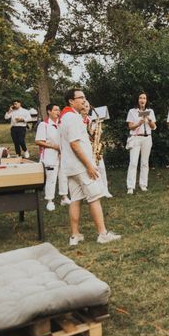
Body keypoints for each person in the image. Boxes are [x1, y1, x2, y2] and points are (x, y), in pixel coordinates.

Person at [60, 89, 121, 246]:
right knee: (94, 198)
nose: (84, 100)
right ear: (71, 101)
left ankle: (75, 235)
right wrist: (89, 165)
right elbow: (74, 144)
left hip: (71, 167)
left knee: (75, 200)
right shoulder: (73, 118)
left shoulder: (65, 116)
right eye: (80, 98)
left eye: (84, 97)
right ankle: (102, 234)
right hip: (81, 166)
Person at [35, 103, 70, 211]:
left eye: (59, 110)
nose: (58, 112)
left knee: (63, 176)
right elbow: (38, 141)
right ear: (49, 111)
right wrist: (54, 146)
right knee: (51, 177)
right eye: (55, 110)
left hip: (62, 154)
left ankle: (64, 197)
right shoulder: (44, 124)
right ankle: (50, 200)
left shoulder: (62, 124)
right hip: (49, 155)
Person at [126, 92, 156, 194]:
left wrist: (149, 119)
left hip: (147, 138)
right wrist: (138, 123)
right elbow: (130, 126)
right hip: (135, 138)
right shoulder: (132, 111)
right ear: (137, 100)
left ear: (146, 100)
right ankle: (130, 186)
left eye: (144, 98)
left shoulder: (150, 111)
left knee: (144, 162)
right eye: (140, 98)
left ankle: (143, 184)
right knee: (133, 162)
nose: (142, 100)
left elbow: (153, 127)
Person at [81, 101, 112, 198]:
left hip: (95, 148)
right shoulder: (77, 120)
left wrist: (97, 129)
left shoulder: (91, 120)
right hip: (84, 149)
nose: (86, 108)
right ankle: (89, 193)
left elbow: (96, 134)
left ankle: (105, 190)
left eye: (87, 106)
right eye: (84, 106)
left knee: (101, 169)